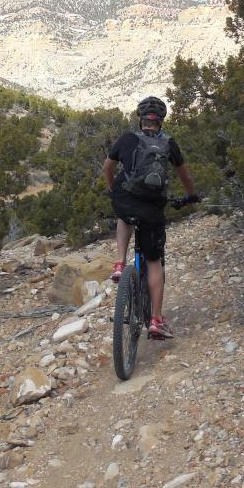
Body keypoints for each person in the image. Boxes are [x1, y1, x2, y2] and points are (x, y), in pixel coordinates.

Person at [101, 95, 197, 339]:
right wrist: (191, 195)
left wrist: (112, 188)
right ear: (161, 121)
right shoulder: (169, 143)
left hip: (127, 199)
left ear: (140, 119)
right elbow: (185, 176)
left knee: (124, 217)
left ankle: (120, 263)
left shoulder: (127, 139)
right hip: (153, 207)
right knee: (154, 262)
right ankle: (155, 319)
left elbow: (107, 168)